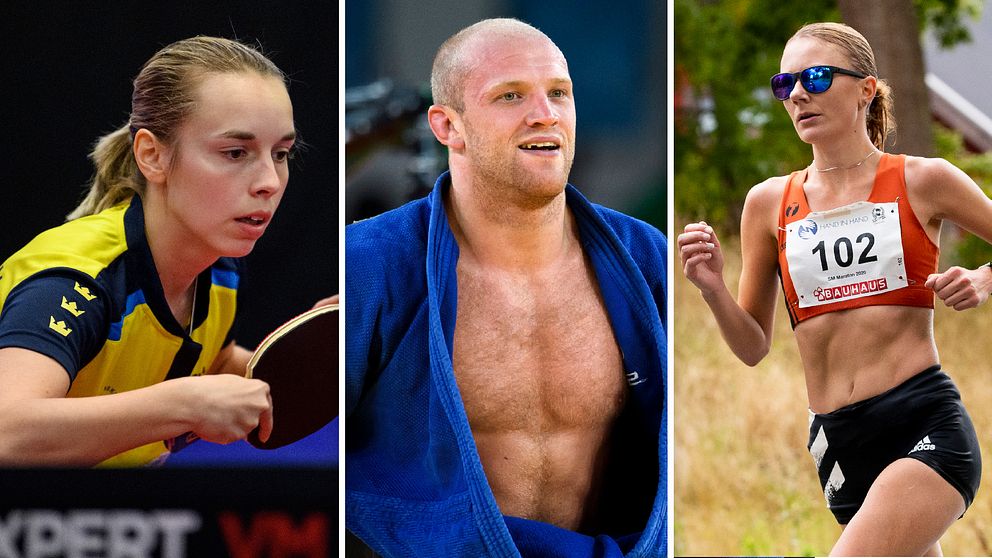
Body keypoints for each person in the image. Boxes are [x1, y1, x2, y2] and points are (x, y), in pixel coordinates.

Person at [346, 18, 667, 558]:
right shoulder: (370, 263)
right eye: (510, 95)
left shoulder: (644, 257)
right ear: (448, 127)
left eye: (559, 94)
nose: (544, 113)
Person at [678, 22, 987, 557]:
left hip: (922, 423)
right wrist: (711, 289)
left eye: (816, 77)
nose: (798, 94)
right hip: (841, 443)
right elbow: (752, 346)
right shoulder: (768, 202)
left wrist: (983, 277)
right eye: (785, 84)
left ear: (866, 89)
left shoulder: (923, 179)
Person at [0, 36, 298, 467]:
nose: (269, 181)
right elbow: (7, 432)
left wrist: (320, 353)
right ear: (152, 155)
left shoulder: (221, 271)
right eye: (236, 153)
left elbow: (203, 363)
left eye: (282, 153)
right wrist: (182, 406)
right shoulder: (75, 281)